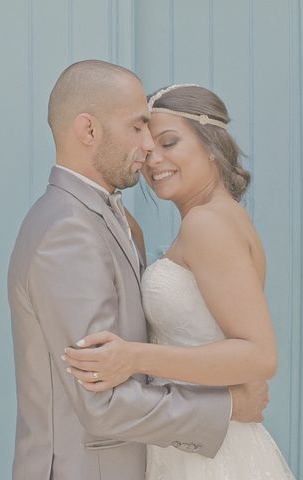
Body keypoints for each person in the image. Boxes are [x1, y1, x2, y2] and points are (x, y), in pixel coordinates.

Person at [8, 61, 268, 480]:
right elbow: (101, 401)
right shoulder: (69, 231)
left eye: (162, 137)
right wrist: (231, 406)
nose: (148, 147)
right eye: (137, 128)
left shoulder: (111, 219)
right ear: (89, 131)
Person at [63, 83, 294, 478]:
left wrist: (134, 357)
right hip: (196, 438)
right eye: (147, 151)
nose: (155, 162)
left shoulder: (207, 224)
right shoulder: (219, 217)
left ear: (210, 143)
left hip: (211, 456)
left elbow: (258, 355)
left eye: (169, 143)